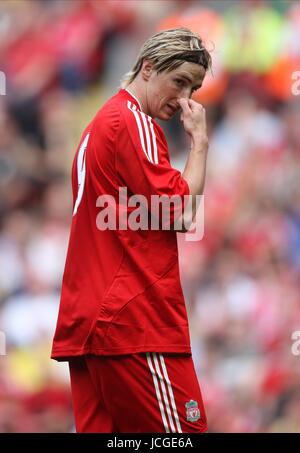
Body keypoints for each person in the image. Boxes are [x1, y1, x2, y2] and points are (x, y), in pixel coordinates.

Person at [51, 27, 211, 433]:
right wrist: (200, 144)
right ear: (147, 67)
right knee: (183, 434)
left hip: (91, 320)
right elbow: (182, 211)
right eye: (179, 81)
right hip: (131, 319)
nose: (184, 99)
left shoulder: (99, 125)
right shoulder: (132, 122)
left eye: (193, 88)